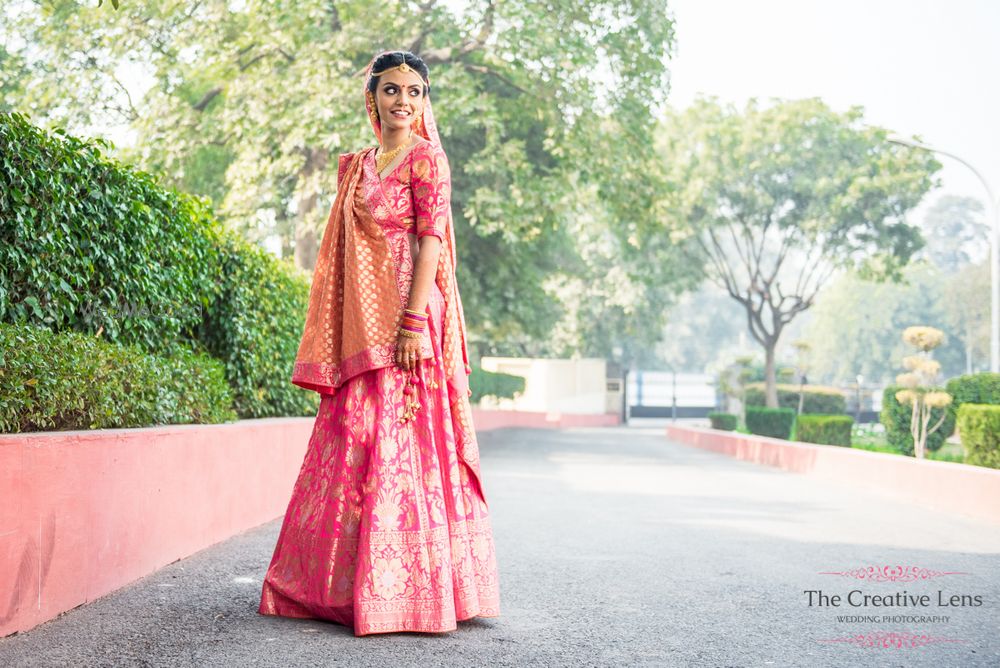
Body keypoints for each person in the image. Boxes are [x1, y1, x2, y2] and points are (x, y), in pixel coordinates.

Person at [257, 50, 500, 636]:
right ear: (374, 98)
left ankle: (411, 590)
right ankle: (336, 588)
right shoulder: (359, 165)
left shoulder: (427, 160)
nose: (403, 102)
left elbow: (430, 242)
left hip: (408, 321)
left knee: (403, 446)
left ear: (424, 101)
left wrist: (415, 322)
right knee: (355, 440)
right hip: (362, 325)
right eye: (392, 90)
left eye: (415, 92)